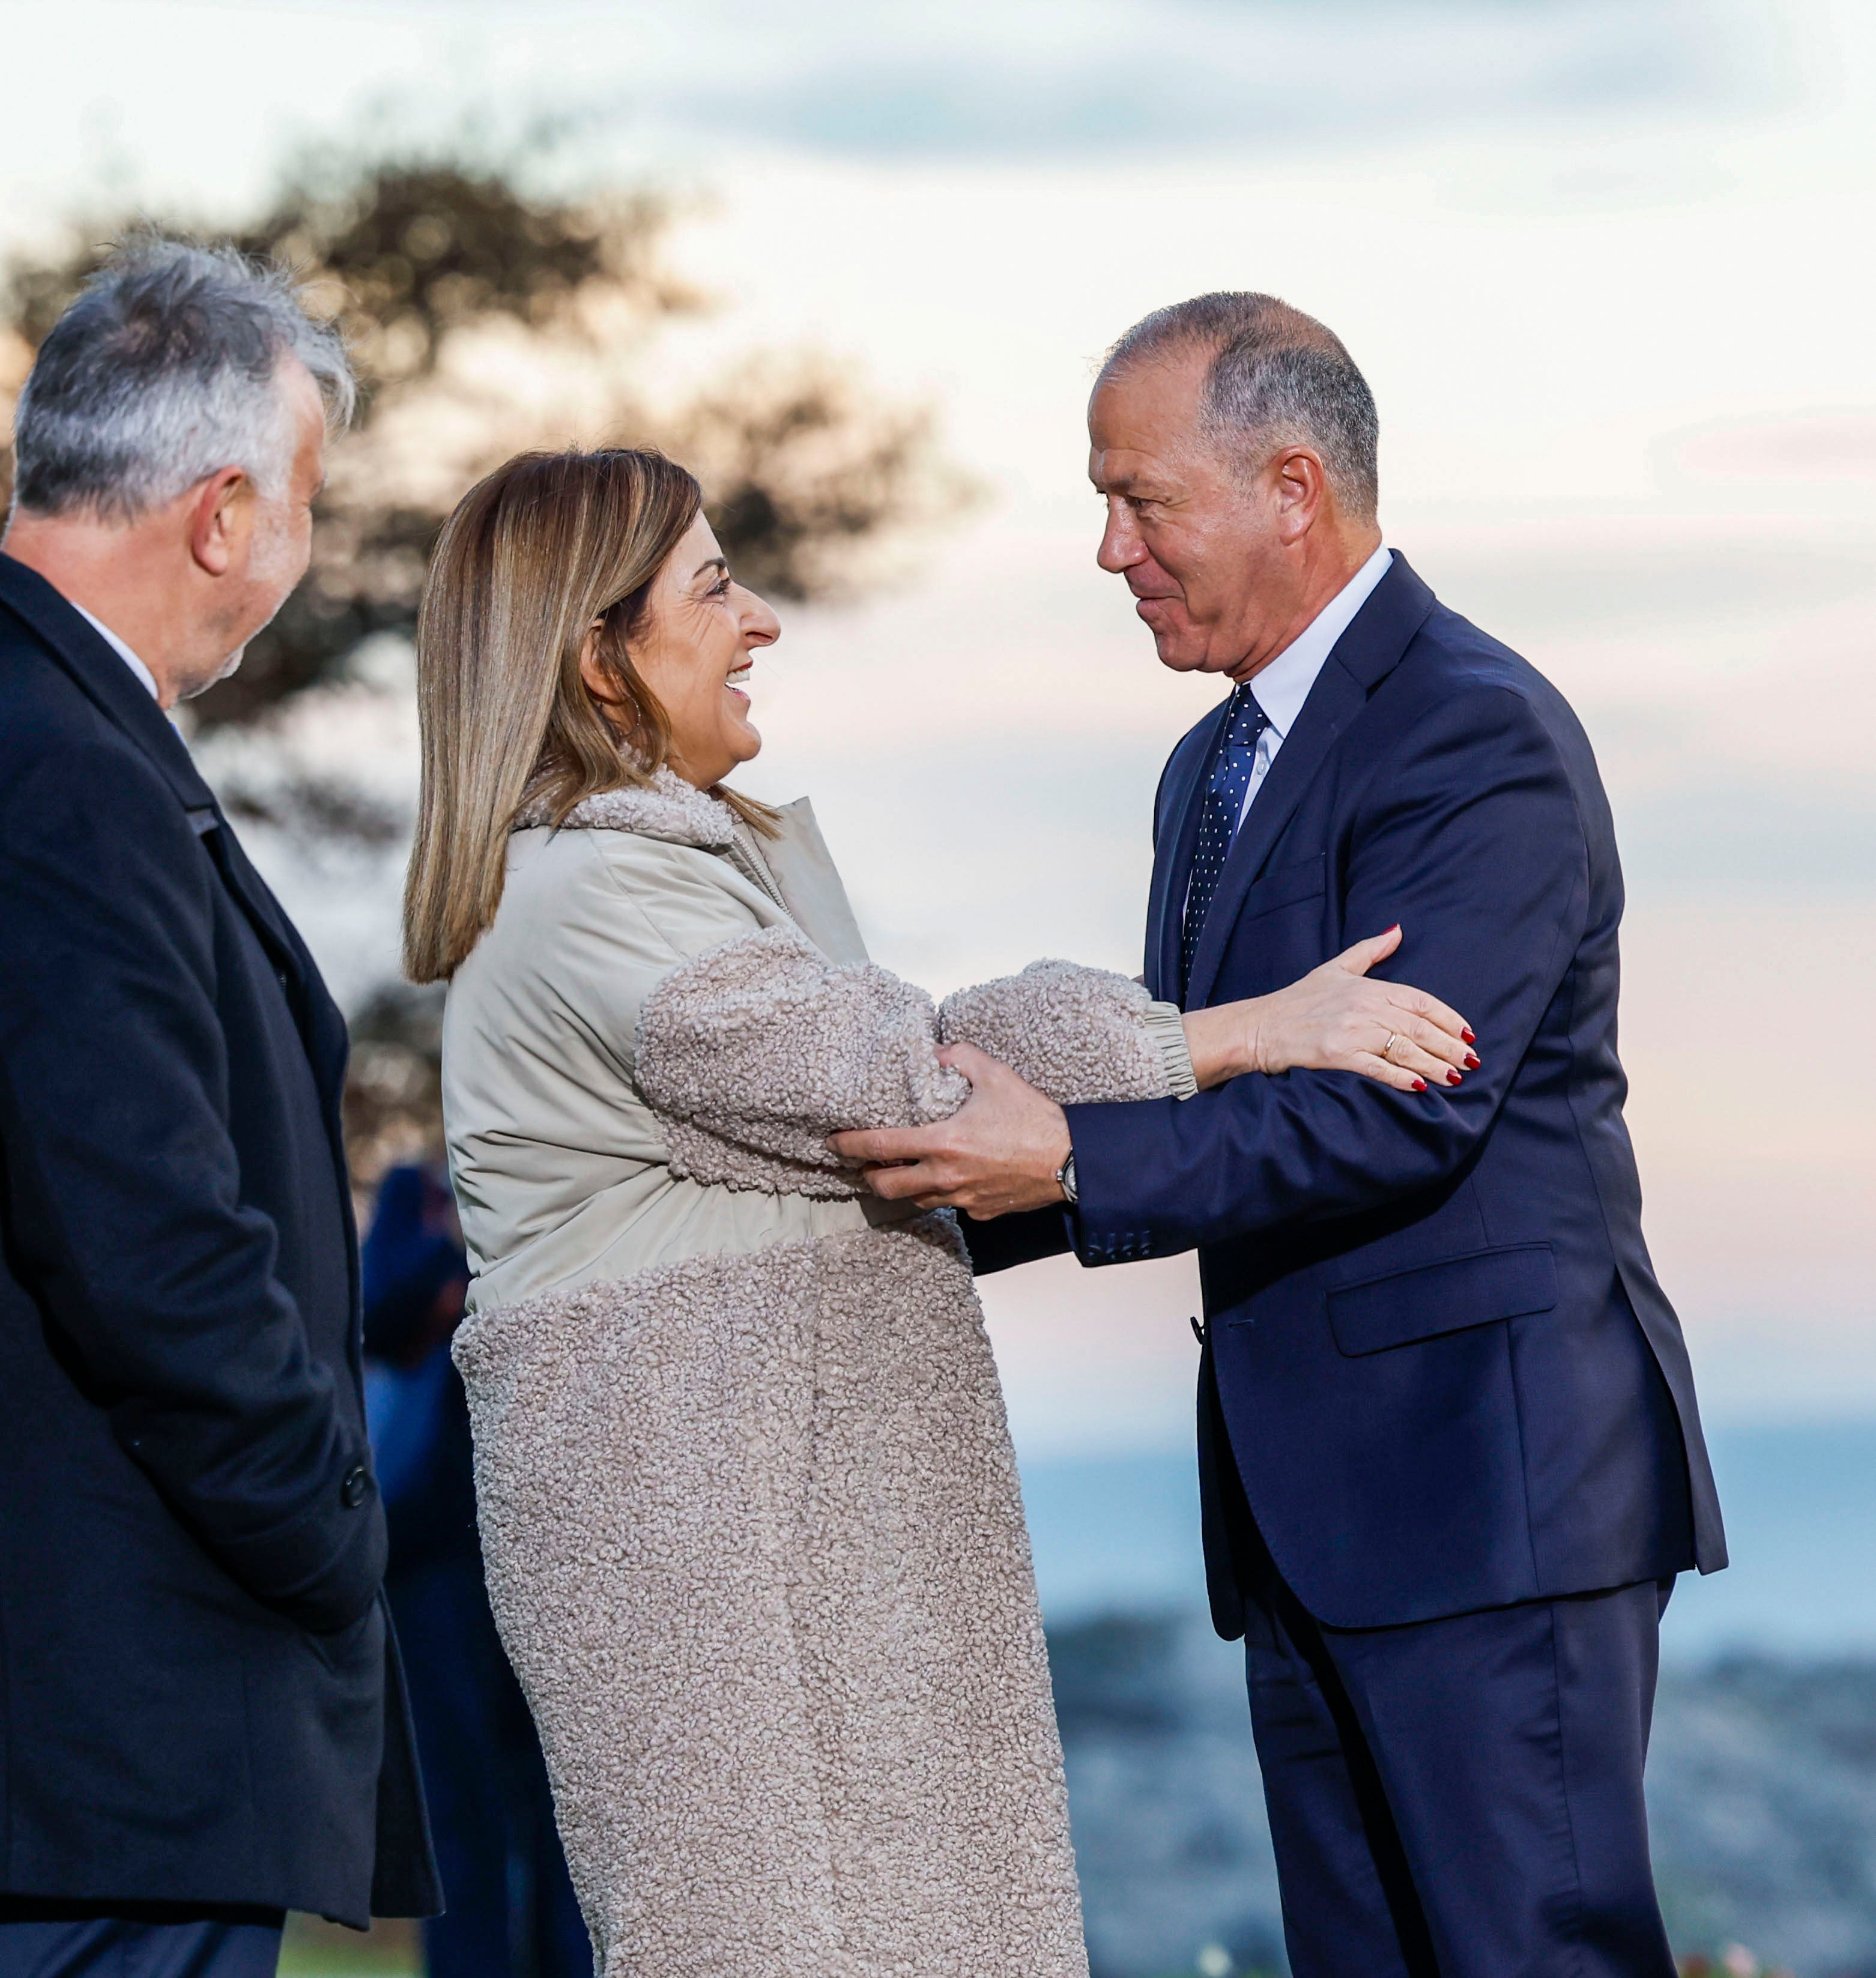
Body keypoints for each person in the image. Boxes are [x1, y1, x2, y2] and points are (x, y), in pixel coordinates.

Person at [405, 446, 1474, 1978]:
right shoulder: (594, 891)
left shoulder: (657, 874)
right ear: (596, 657)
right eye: (712, 587)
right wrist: (1236, 1032)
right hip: (734, 1594)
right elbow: (905, 1080)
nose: (758, 619)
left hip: (783, 1564)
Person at [838, 294, 1724, 1978]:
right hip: (1303, 1517)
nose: (1107, 549)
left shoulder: (1472, 731)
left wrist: (1072, 1165)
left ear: (1290, 487)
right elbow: (1201, 1082)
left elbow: (1399, 1108)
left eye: (1141, 500)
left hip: (1488, 1500)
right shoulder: (1204, 770)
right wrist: (912, 1198)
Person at [0, 240, 440, 1978]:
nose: (294, 552)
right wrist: (334, 1535)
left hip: (68, 1716)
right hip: (109, 1717)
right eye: (297, 500)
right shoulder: (42, 774)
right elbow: (151, 1251)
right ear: (221, 513)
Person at [361, 1163, 593, 1978]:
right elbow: (381, 1314)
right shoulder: (416, 1198)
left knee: (560, 1806)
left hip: (533, 1562)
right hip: (434, 1569)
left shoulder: (537, 1203)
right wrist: (458, 1260)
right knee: (458, 1812)